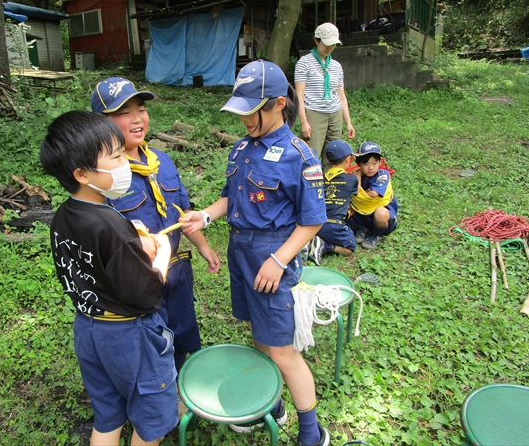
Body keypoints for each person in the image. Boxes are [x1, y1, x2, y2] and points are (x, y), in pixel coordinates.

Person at [181, 60, 331, 446]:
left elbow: (312, 221)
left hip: (273, 253)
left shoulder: (301, 155)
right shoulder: (241, 149)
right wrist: (205, 217)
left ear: (279, 104)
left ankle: (312, 433)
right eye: (241, 111)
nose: (245, 120)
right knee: (258, 334)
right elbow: (231, 197)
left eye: (253, 111)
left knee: (283, 352)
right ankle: (273, 405)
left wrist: (279, 260)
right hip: (241, 251)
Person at [40, 110, 177, 446]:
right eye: (115, 156)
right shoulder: (111, 226)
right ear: (83, 173)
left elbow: (94, 260)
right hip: (128, 336)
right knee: (150, 419)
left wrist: (131, 238)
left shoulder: (65, 216)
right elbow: (145, 293)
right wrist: (160, 250)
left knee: (108, 414)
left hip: (88, 328)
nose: (123, 163)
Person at [91, 77, 220, 374]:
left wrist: (202, 245)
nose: (137, 119)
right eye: (124, 113)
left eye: (141, 109)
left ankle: (176, 384)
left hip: (176, 273)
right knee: (150, 341)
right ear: (102, 123)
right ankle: (155, 398)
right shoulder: (105, 176)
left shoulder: (161, 161)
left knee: (181, 334)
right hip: (140, 280)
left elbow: (182, 210)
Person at [295, 22, 356, 171]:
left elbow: (341, 96)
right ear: (316, 41)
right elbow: (299, 95)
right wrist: (304, 122)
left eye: (333, 44)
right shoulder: (304, 63)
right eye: (326, 44)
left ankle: (330, 188)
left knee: (334, 155)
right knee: (312, 154)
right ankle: (312, 188)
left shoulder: (336, 66)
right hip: (314, 112)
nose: (329, 48)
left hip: (335, 113)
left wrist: (348, 122)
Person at [308, 140, 359, 264]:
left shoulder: (320, 178)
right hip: (334, 226)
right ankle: (325, 246)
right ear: (349, 159)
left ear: (329, 160)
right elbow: (356, 194)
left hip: (315, 225)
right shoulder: (352, 180)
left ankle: (313, 240)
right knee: (351, 248)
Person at [347, 141, 399, 250]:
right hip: (362, 215)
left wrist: (357, 180)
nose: (370, 167)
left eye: (374, 163)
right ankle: (362, 228)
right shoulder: (355, 174)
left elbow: (372, 194)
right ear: (359, 164)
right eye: (366, 164)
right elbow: (351, 192)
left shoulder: (383, 175)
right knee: (342, 207)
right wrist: (357, 177)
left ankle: (376, 234)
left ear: (380, 162)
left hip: (383, 217)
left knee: (380, 213)